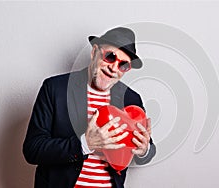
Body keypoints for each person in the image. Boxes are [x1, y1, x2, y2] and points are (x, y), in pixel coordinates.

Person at [23, 27, 156, 188]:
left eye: (123, 65)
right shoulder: (54, 88)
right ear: (94, 52)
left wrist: (144, 150)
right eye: (110, 56)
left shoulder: (131, 99)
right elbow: (32, 149)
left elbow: (147, 151)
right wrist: (85, 144)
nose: (114, 68)